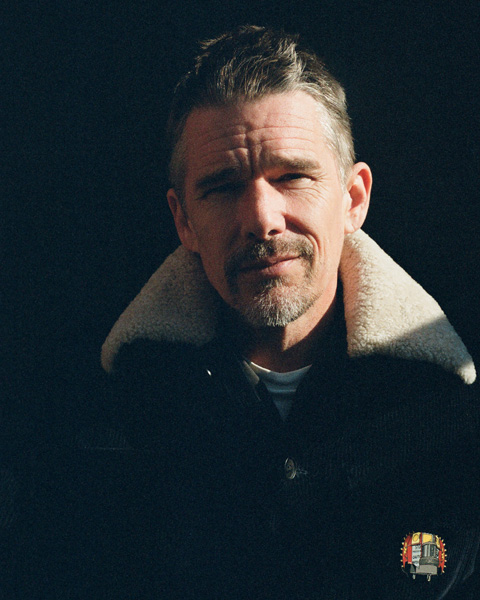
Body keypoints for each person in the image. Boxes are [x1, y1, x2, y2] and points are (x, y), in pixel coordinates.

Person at [57, 26, 480, 599]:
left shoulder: (452, 414)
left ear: (353, 198)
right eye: (223, 187)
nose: (261, 218)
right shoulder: (106, 416)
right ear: (183, 221)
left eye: (292, 176)